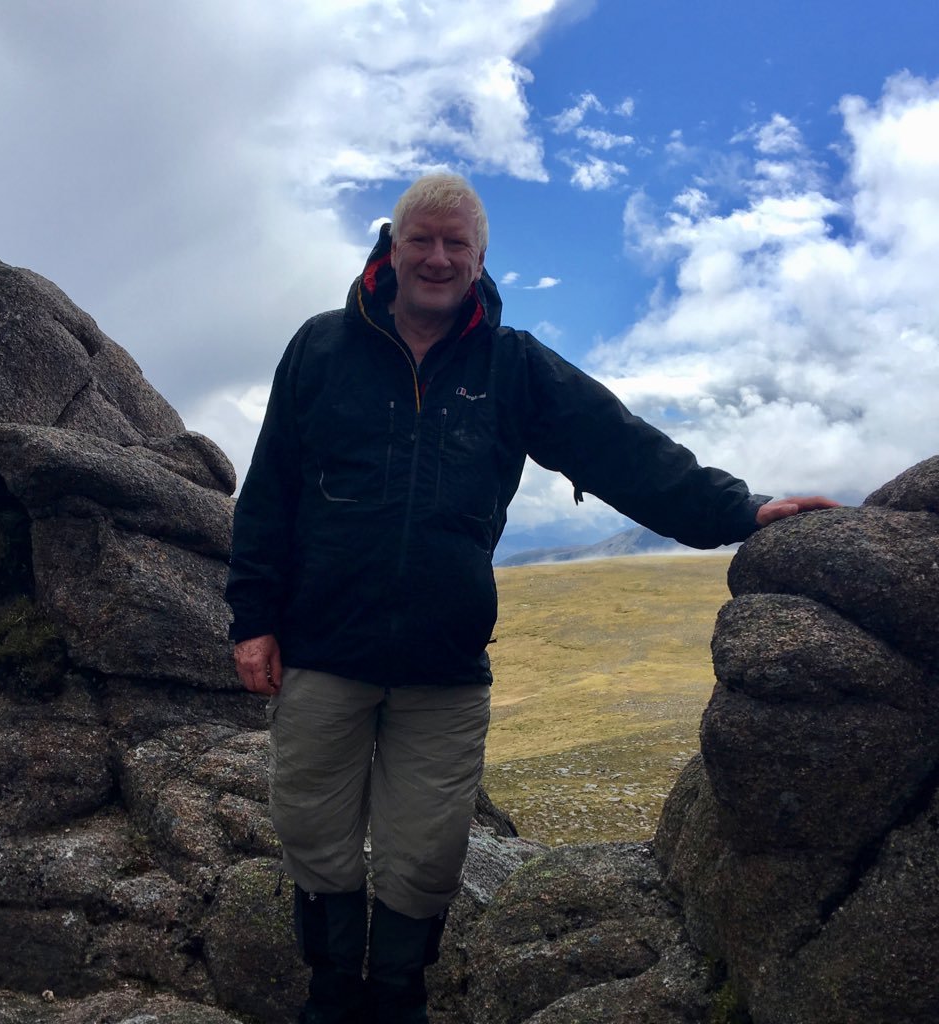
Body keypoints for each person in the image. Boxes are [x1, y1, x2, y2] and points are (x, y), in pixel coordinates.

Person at [226, 173, 838, 1024]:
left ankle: (398, 999)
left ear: (479, 261)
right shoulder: (321, 349)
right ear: (391, 247)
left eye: (457, 245)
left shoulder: (511, 366)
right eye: (422, 240)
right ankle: (332, 997)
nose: (437, 258)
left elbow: (619, 449)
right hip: (323, 649)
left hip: (443, 668)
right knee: (314, 833)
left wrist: (738, 511)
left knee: (427, 855)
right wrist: (252, 619)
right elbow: (268, 494)